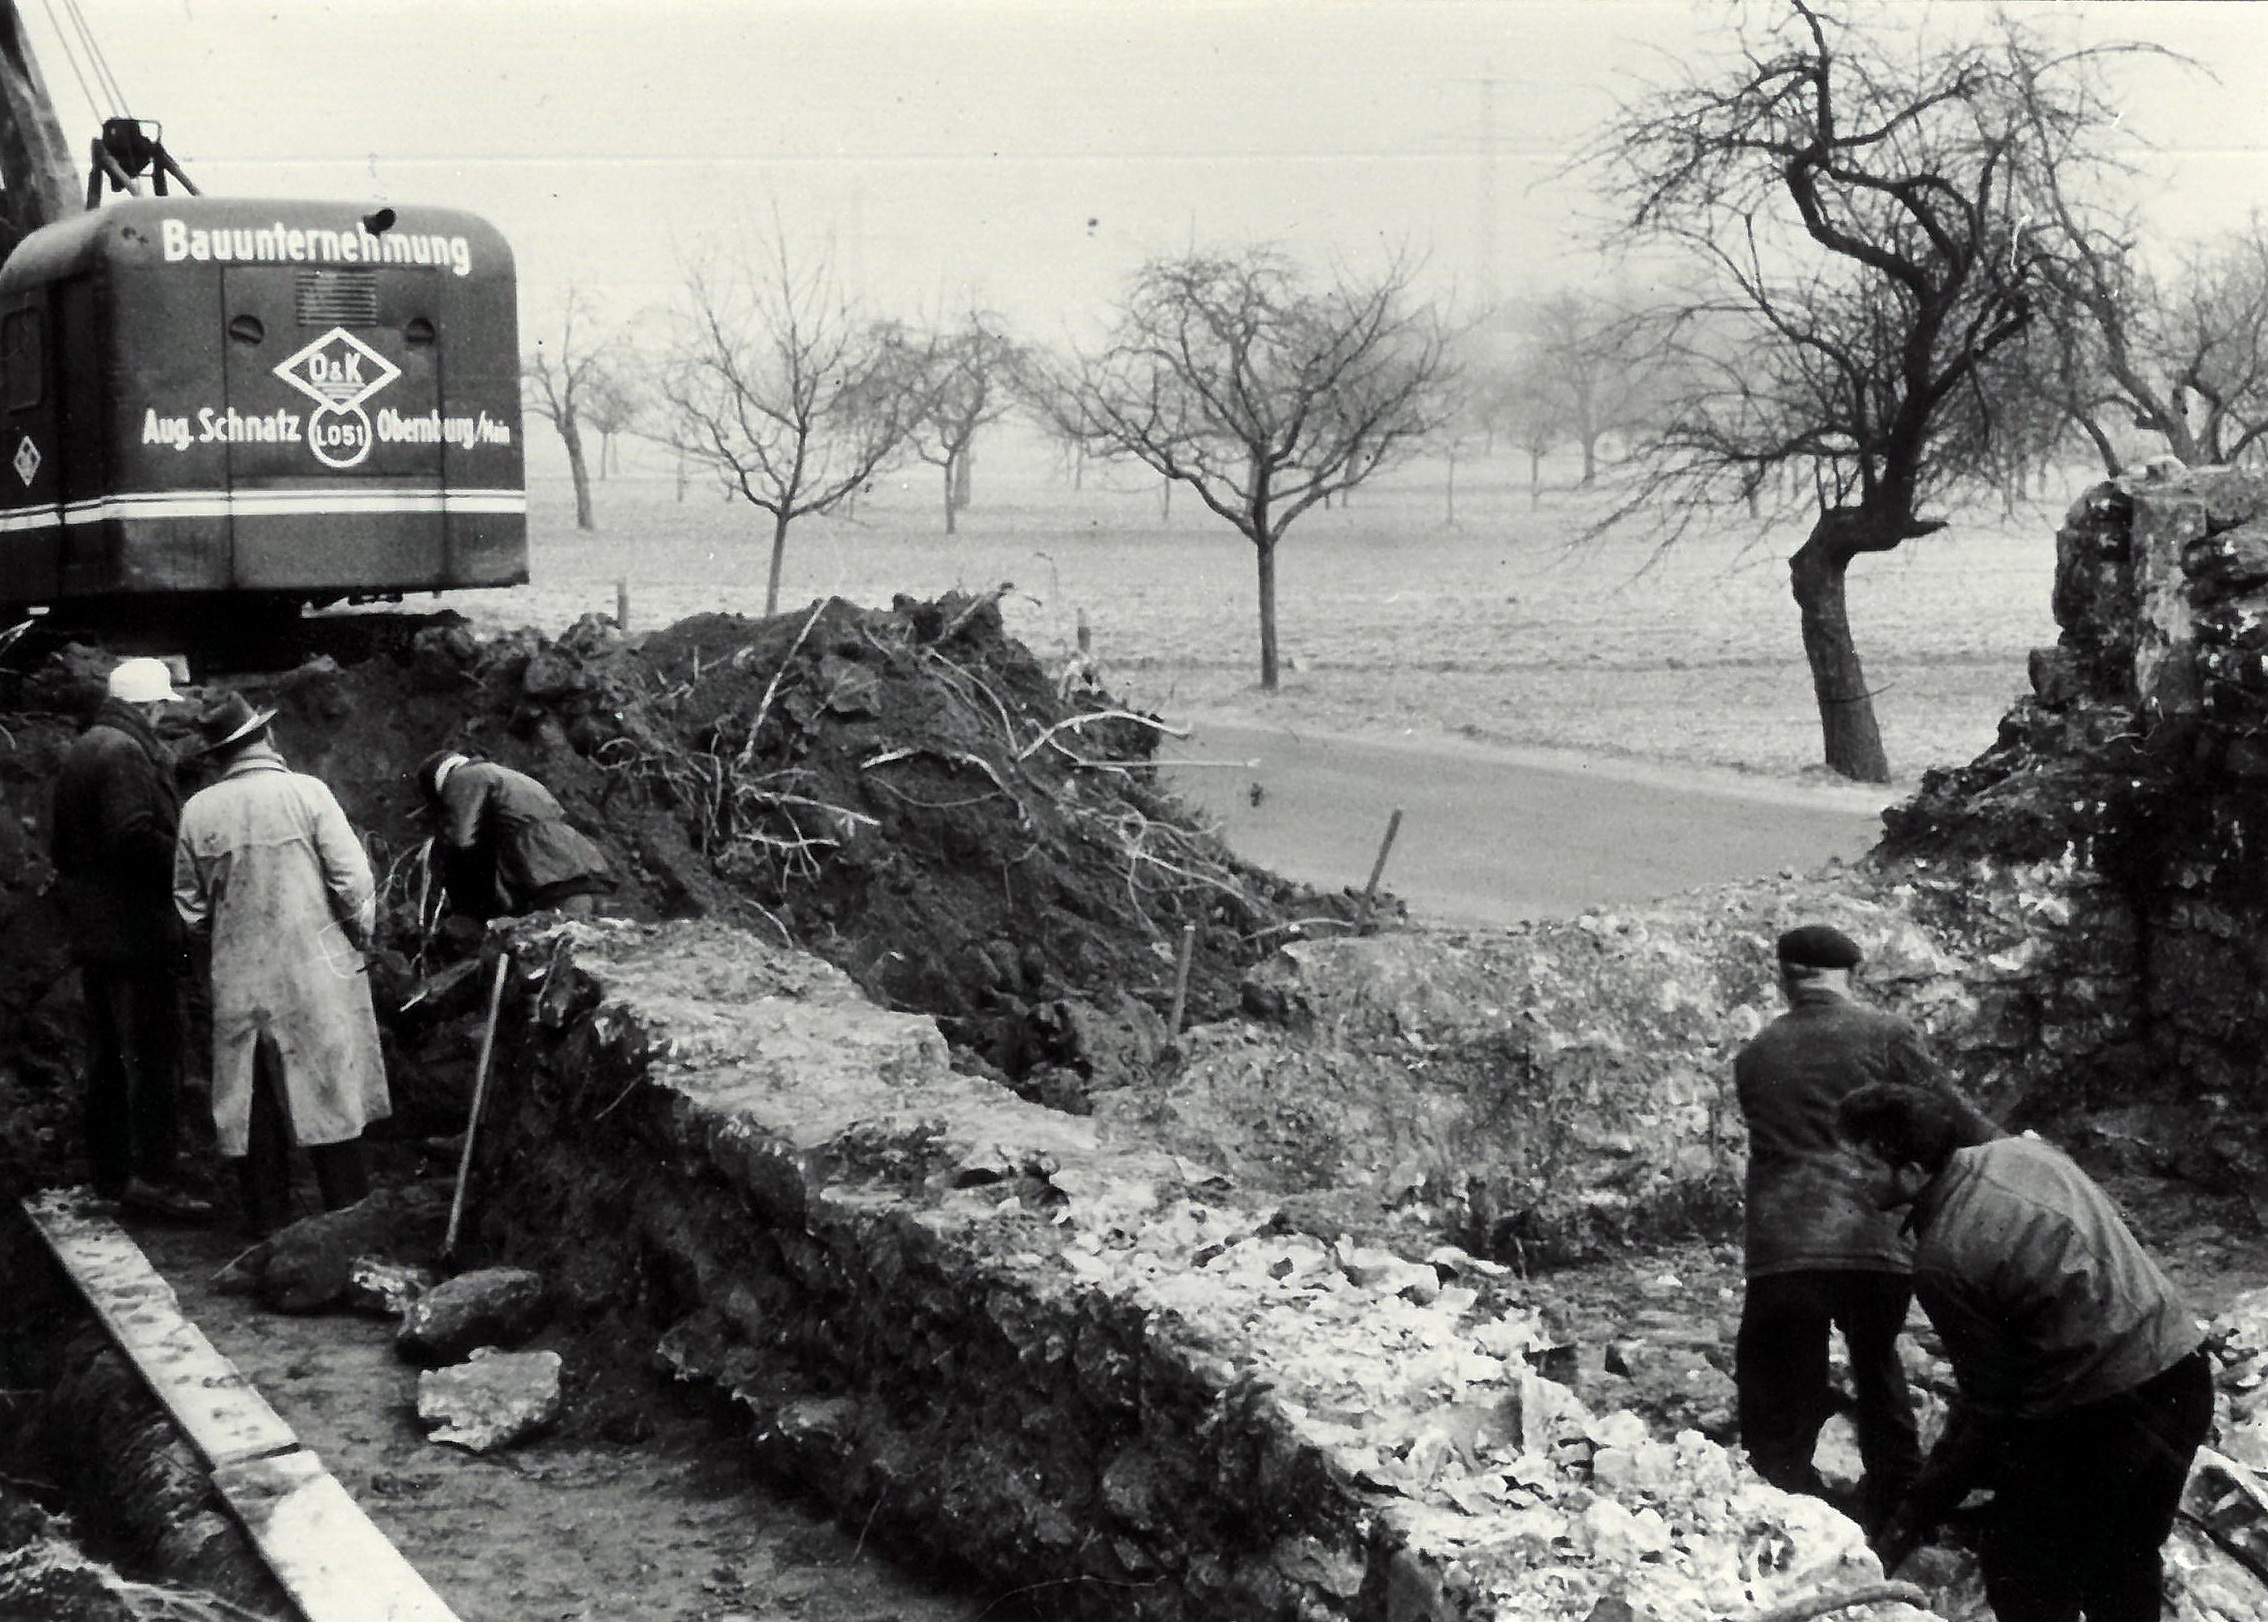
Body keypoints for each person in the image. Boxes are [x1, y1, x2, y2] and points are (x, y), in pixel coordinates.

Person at [1839, 1082, 2212, 1622]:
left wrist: (1918, 1511)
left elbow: (1991, 1408)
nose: (1850, 1178)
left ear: (1914, 1173)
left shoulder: (1945, 1257)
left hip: (2106, 1406)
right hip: (2183, 1374)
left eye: (1863, 1166)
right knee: (2125, 1560)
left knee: (2021, 1562)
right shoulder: (2024, 1152)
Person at [1732, 922, 1949, 1528]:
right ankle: (1895, 1499)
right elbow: (1945, 1114)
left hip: (1785, 1242)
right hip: (1872, 1235)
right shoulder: (1887, 1035)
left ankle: (1784, 1499)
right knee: (1877, 1362)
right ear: (1850, 975)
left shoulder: (1756, 1055)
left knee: (1781, 1372)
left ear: (1786, 976)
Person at [173, 691, 390, 1236]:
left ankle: (267, 1231)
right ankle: (347, 1221)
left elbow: (189, 907)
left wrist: (215, 950)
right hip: (316, 969)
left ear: (219, 754)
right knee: (330, 1091)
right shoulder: (306, 793)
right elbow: (353, 880)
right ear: (265, 738)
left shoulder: (197, 811)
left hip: (239, 974)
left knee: (253, 1104)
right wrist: (361, 938)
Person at [48, 657, 212, 1220]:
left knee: (112, 1056)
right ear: (150, 705)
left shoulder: (90, 744)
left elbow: (66, 848)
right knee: (150, 1055)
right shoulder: (124, 753)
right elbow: (134, 835)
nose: (166, 715)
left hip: (99, 932)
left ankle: (113, 1174)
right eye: (163, 706)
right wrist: (191, 864)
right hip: (135, 935)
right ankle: (154, 1179)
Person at [414, 749, 612, 921]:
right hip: (578, 865)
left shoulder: (464, 778)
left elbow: (461, 840)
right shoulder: (507, 776)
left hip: (544, 873)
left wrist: (463, 900)